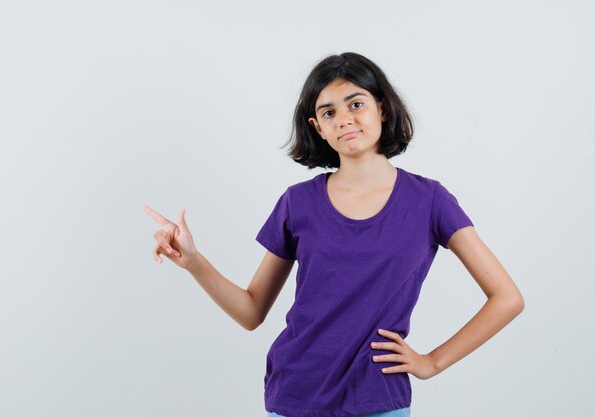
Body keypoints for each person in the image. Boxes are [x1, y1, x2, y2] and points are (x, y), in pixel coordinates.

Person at [143, 52, 525, 417]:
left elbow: (507, 298)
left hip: (380, 399)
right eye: (329, 111)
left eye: (355, 104)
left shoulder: (430, 201)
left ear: (383, 108)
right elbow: (251, 311)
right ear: (318, 127)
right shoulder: (298, 203)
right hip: (295, 396)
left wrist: (432, 362)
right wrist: (193, 261)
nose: (344, 118)